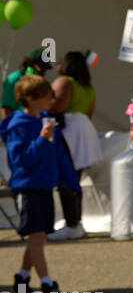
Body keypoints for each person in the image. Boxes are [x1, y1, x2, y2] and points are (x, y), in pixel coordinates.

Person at [1, 76, 79, 293]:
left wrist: (71, 183)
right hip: (27, 188)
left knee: (39, 235)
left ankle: (23, 277)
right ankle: (47, 283)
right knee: (36, 235)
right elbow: (20, 159)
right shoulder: (18, 126)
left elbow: (60, 156)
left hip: (45, 186)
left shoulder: (47, 121)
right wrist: (42, 140)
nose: (51, 99)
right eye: (46, 95)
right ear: (30, 99)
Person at [46, 51, 103, 241]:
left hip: (68, 133)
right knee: (73, 179)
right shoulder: (89, 88)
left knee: (66, 179)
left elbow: (53, 106)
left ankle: (72, 223)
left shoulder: (65, 82)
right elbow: (89, 112)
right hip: (82, 133)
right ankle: (74, 222)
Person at [1, 48, 51, 119]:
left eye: (44, 69)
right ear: (29, 63)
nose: (43, 72)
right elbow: (6, 107)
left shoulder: (38, 82)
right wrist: (9, 127)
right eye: (40, 68)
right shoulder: (14, 79)